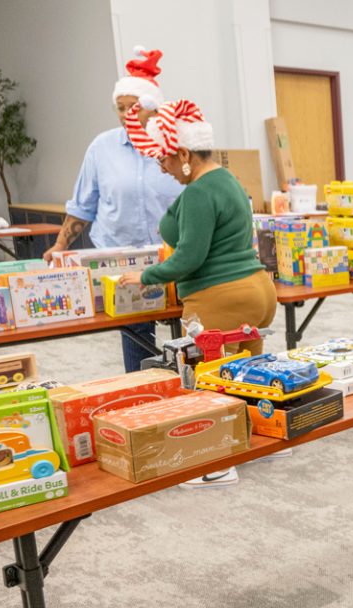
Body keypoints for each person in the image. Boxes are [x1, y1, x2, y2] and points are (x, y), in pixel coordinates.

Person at [119, 99, 278, 487]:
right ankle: (263, 440)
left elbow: (188, 257)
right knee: (248, 376)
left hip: (219, 298)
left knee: (207, 380)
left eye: (165, 160)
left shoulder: (197, 194)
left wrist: (146, 276)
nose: (162, 168)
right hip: (258, 292)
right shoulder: (229, 180)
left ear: (185, 154)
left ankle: (214, 465)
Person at [45, 47, 183, 373]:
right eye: (120, 108)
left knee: (188, 331)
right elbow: (83, 206)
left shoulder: (174, 146)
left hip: (173, 257)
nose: (125, 114)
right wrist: (60, 245)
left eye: (133, 106)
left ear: (153, 107)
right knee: (136, 336)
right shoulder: (101, 148)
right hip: (121, 259)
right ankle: (140, 393)